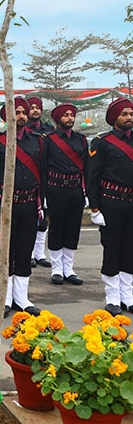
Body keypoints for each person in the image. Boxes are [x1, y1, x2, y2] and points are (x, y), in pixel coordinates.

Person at [0, 97, 46, 318]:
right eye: (16, 112)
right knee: (7, 253)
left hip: (29, 203)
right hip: (6, 205)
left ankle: (22, 298)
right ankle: (5, 298)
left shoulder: (37, 141)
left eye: (23, 112)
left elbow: (43, 175)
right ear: (6, 116)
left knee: (25, 250)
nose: (21, 116)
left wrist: (42, 204)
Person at [87, 97, 133, 316]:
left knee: (130, 250)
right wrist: (94, 208)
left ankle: (128, 296)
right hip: (111, 202)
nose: (128, 118)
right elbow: (92, 176)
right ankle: (113, 297)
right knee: (112, 248)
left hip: (131, 203)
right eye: (124, 114)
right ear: (114, 118)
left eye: (131, 114)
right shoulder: (102, 142)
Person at [44, 103, 88, 286]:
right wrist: (44, 194)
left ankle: (68, 269)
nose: (70, 118)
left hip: (75, 189)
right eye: (66, 115)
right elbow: (43, 167)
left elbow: (87, 167)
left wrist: (86, 192)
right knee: (56, 228)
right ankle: (56, 269)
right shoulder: (48, 140)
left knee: (72, 229)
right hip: (56, 189)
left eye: (72, 115)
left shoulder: (81, 139)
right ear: (58, 119)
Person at [27, 96, 54, 268]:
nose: (35, 110)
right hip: (29, 176)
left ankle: (39, 253)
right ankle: (28, 253)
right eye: (32, 107)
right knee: (29, 218)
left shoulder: (49, 130)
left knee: (44, 216)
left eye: (38, 107)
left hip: (47, 176)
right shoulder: (22, 130)